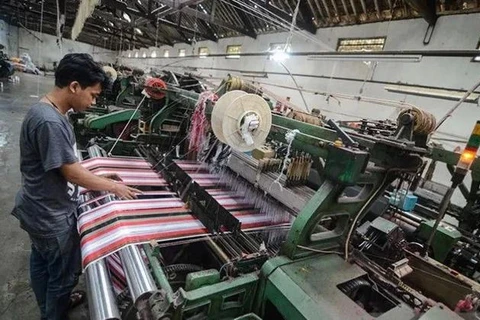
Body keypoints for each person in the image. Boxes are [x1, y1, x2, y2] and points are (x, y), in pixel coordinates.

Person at [11, 53, 140, 320]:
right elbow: (72, 173)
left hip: (38, 207)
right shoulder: (50, 122)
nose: (93, 102)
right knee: (62, 275)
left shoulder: (49, 111)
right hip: (51, 215)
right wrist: (112, 187)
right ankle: (53, 312)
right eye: (92, 95)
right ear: (74, 86)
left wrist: (102, 177)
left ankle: (48, 305)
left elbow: (65, 164)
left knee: (41, 263)